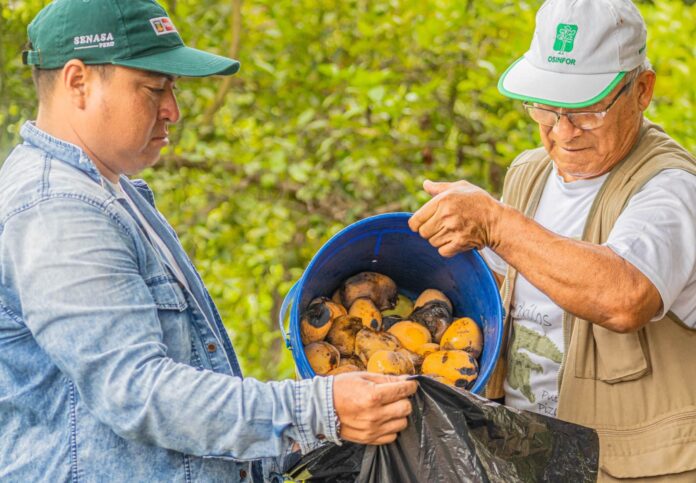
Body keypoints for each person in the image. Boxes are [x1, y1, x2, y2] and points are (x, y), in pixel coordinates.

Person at [0, 1, 417, 481]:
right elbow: (137, 392)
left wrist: (303, 435)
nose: (172, 110)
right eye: (154, 88)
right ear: (78, 82)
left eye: (172, 89)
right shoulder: (61, 210)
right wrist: (318, 409)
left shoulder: (114, 191)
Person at [409, 0, 696, 480]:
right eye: (546, 107)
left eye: (588, 110)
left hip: (632, 468)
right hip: (530, 460)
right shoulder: (530, 173)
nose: (562, 131)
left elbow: (623, 297)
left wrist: (497, 224)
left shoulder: (672, 189)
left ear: (642, 90)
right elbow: (494, 296)